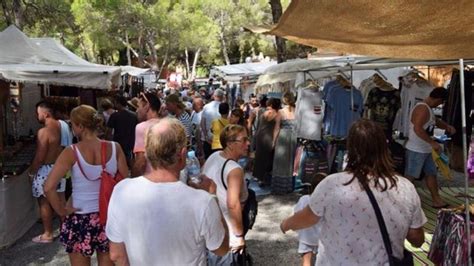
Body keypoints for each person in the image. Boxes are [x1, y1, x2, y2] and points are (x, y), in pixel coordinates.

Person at [280, 119, 426, 265]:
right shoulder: (406, 187)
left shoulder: (332, 184)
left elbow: (308, 218)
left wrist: (286, 224)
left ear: (350, 149)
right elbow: (416, 239)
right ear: (384, 148)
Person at [106, 118, 229, 265]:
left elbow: (116, 255)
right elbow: (221, 248)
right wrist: (213, 196)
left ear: (147, 151)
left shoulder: (122, 191)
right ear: (182, 154)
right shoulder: (203, 201)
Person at [44, 105, 129, 265]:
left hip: (79, 218)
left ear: (81, 126)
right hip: (108, 217)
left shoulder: (71, 151)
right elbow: (125, 183)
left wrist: (61, 210)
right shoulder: (114, 147)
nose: (72, 128)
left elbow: (48, 187)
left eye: (73, 124)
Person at [202, 124, 249, 265]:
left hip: (209, 225)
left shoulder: (214, 156)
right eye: (244, 140)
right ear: (230, 144)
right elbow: (233, 204)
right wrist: (239, 235)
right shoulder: (234, 169)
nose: (248, 143)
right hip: (226, 231)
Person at [405, 87, 455, 208]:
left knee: (431, 174)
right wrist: (432, 143)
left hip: (425, 148)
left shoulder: (428, 109)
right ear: (437, 99)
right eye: (441, 102)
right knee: (409, 177)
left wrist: (447, 126)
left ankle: (436, 200)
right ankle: (403, 201)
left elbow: (435, 121)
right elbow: (418, 128)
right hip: (416, 149)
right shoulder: (422, 108)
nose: (441, 104)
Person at [28, 100, 66, 244]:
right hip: (60, 167)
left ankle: (48, 233)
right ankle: (65, 231)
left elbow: (40, 156)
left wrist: (32, 173)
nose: (37, 116)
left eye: (38, 113)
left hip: (46, 169)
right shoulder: (62, 126)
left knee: (44, 202)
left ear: (45, 114)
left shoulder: (43, 132)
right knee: (60, 200)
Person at [272, 92, 298, 193]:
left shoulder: (281, 112)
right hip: (294, 137)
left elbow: (276, 128)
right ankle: (291, 185)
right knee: (292, 161)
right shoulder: (297, 111)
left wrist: (274, 141)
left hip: (283, 138)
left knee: (281, 162)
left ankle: (281, 187)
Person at [131, 91, 162, 177]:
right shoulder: (169, 124)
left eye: (138, 107)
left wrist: (132, 182)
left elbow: (141, 162)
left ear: (147, 107)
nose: (137, 110)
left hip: (150, 178)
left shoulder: (142, 127)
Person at [253, 97, 279, 186]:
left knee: (259, 156)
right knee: (267, 158)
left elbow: (259, 126)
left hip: (260, 136)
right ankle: (264, 178)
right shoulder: (277, 114)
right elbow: (276, 129)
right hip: (269, 137)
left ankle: (258, 176)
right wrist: (274, 141)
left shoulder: (263, 112)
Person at [107, 95, 138, 166]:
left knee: (119, 162)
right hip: (131, 142)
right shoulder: (134, 115)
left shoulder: (114, 116)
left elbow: (109, 131)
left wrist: (109, 143)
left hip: (118, 142)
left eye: (115, 103)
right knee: (130, 161)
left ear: (118, 103)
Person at [201, 89, 225, 159]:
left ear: (214, 96)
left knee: (209, 161)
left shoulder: (206, 107)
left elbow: (202, 123)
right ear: (222, 97)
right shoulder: (225, 107)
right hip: (220, 141)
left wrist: (205, 137)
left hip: (208, 139)